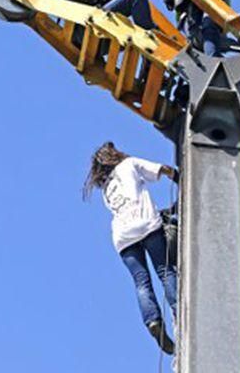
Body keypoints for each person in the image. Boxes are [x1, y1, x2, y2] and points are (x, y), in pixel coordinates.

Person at [82, 141, 178, 354]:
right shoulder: (129, 164)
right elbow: (161, 169)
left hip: (123, 236)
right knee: (164, 271)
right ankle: (179, 311)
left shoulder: (107, 188)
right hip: (146, 225)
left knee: (141, 281)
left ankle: (153, 321)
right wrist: (178, 176)